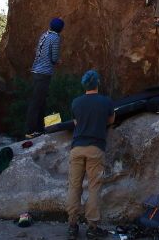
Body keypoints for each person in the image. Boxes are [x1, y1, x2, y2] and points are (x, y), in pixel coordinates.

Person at [67, 70, 115, 240]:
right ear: (97, 83)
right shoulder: (105, 102)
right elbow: (111, 121)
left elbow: (76, 123)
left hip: (77, 148)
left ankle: (72, 226)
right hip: (96, 148)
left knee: (74, 186)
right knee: (94, 187)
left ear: (84, 84)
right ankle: (92, 227)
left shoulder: (76, 102)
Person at [24, 17, 64, 138]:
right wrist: (59, 61)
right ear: (60, 29)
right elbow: (54, 58)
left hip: (36, 71)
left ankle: (40, 128)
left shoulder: (44, 35)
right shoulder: (55, 38)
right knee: (36, 102)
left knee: (41, 101)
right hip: (44, 73)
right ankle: (30, 131)